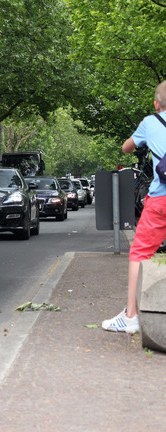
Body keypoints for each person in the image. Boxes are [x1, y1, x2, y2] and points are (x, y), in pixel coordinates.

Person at [102, 80, 166, 333]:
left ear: (156, 103)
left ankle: (131, 316)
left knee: (139, 253)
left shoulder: (150, 123)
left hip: (161, 199)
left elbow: (126, 147)